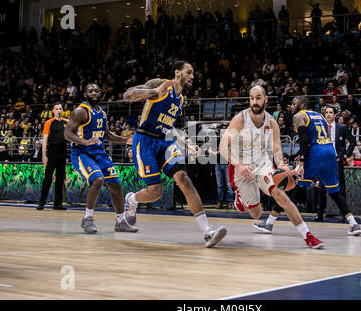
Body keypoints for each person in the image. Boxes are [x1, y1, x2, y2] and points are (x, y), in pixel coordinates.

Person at [122, 61, 227, 248]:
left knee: (184, 178)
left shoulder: (180, 100)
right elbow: (127, 95)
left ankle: (207, 232)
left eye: (193, 73)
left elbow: (169, 126)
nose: (193, 76)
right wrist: (154, 92)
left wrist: (186, 143)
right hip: (145, 140)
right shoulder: (159, 84)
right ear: (177, 73)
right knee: (155, 192)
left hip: (165, 141)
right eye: (189, 72)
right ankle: (131, 199)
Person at [219, 86, 324, 249]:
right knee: (257, 214)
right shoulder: (240, 119)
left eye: (258, 97)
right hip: (241, 166)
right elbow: (223, 147)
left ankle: (307, 236)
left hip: (262, 164)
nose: (255, 101)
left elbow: (276, 149)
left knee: (281, 195)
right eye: (252, 98)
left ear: (266, 99)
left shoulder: (272, 122)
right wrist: (239, 165)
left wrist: (281, 163)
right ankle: (239, 195)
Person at [254, 96, 361, 236]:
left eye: (294, 103)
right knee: (334, 192)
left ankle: (269, 223)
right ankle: (354, 224)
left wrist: (303, 161)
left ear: (302, 105)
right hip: (329, 152)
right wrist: (304, 153)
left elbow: (304, 140)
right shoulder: (319, 116)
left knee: (289, 186)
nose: (291, 106)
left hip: (315, 154)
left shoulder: (299, 116)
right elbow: (321, 137)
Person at [64, 83, 137, 233]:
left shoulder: (102, 113)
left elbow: (108, 135)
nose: (94, 93)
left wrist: (125, 140)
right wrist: (84, 141)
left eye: (97, 90)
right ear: (85, 94)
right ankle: (87, 218)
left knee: (116, 184)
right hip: (82, 153)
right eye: (90, 91)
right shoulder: (80, 111)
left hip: (99, 153)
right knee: (98, 179)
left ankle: (120, 221)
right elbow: (67, 133)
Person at [314, 106, 356, 222]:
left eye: (331, 112)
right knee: (322, 188)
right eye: (326, 112)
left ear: (335, 115)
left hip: (337, 161)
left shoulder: (342, 127)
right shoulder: (319, 127)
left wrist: (346, 155)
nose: (328, 114)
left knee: (340, 188)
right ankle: (320, 213)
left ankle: (343, 214)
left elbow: (353, 141)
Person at [37, 103, 69, 210]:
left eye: (60, 109)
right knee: (48, 178)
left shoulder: (67, 122)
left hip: (63, 153)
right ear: (53, 111)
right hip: (52, 153)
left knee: (60, 179)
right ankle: (42, 202)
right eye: (57, 109)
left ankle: (57, 204)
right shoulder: (48, 122)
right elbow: (45, 140)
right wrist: (44, 155)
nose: (59, 110)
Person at [208, 123, 234, 209]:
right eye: (222, 129)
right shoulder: (217, 139)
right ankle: (220, 202)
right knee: (220, 185)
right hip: (218, 164)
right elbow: (209, 149)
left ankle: (230, 202)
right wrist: (212, 152)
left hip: (227, 164)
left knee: (228, 184)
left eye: (225, 129)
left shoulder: (230, 139)